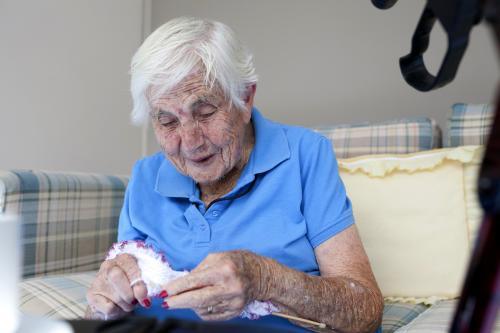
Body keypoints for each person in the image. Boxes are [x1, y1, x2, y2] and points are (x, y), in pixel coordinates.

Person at [86, 17, 383, 333]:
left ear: (245, 98)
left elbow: (365, 312)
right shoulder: (145, 176)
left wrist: (263, 279)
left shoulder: (305, 155)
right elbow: (116, 302)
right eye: (168, 121)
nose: (189, 143)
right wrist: (105, 303)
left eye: (205, 112)